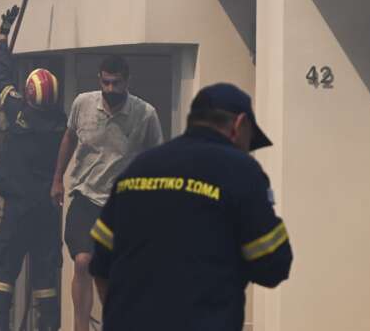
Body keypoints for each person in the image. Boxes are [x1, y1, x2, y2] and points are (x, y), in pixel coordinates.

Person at [88, 83, 292, 330]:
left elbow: (100, 262)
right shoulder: (240, 170)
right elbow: (273, 265)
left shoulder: (140, 167)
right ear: (240, 125)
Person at [50, 54, 162, 331]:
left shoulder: (145, 113)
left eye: (116, 83)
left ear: (127, 81)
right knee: (83, 261)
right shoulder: (82, 104)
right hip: (85, 196)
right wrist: (57, 180)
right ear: (99, 79)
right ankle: (80, 327)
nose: (110, 89)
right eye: (106, 83)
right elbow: (69, 138)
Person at [0, 6, 66, 331]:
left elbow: (1, 76)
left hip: (17, 209)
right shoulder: (61, 126)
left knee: (5, 272)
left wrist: (4, 35)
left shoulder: (16, 111)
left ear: (29, 93)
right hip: (46, 211)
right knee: (45, 275)